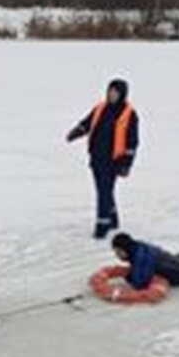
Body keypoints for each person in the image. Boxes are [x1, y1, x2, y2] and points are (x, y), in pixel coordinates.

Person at [66, 79, 141, 239]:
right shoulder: (100, 108)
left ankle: (102, 226)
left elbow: (132, 142)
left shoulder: (129, 114)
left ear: (122, 94)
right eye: (110, 91)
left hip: (113, 161)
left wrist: (126, 164)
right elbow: (87, 124)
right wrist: (75, 132)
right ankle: (113, 219)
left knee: (104, 192)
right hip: (96, 157)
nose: (112, 94)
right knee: (104, 190)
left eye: (115, 92)